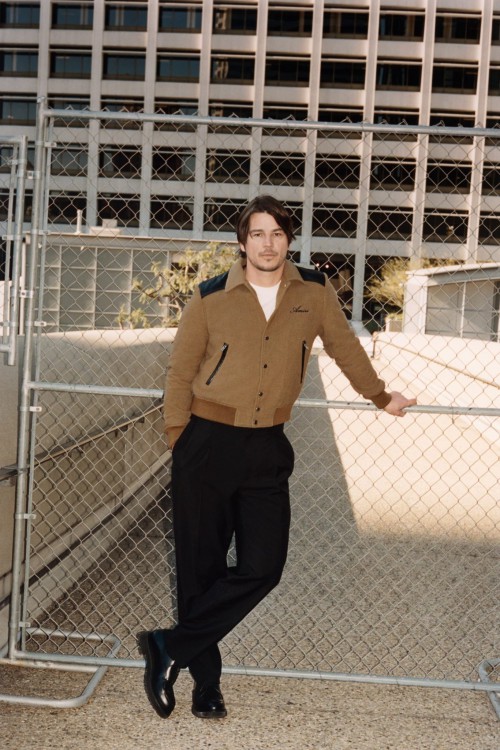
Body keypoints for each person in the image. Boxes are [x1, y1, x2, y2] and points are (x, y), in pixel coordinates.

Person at [137, 195, 416, 720]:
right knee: (200, 569)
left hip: (267, 446)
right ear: (242, 243)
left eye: (277, 234)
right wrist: (179, 436)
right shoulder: (210, 297)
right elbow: (180, 371)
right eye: (257, 234)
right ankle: (206, 686)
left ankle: (168, 646)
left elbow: (345, 348)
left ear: (289, 240)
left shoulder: (314, 290)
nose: (268, 243)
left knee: (264, 567)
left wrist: (380, 396)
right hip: (207, 441)